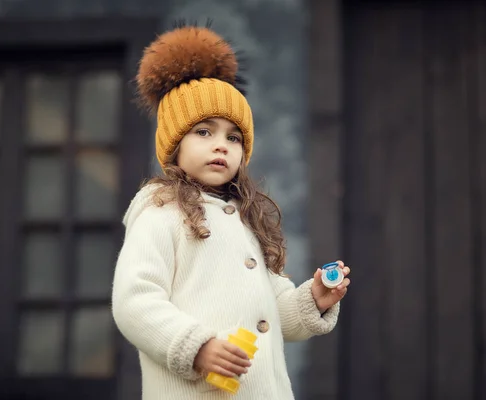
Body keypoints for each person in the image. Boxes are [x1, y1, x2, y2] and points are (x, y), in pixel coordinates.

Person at [111, 23, 351, 400]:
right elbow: (135, 301)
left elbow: (272, 311)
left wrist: (313, 300)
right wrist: (196, 347)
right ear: (174, 144)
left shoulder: (242, 220)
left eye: (233, 137)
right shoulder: (161, 214)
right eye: (203, 132)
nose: (221, 145)